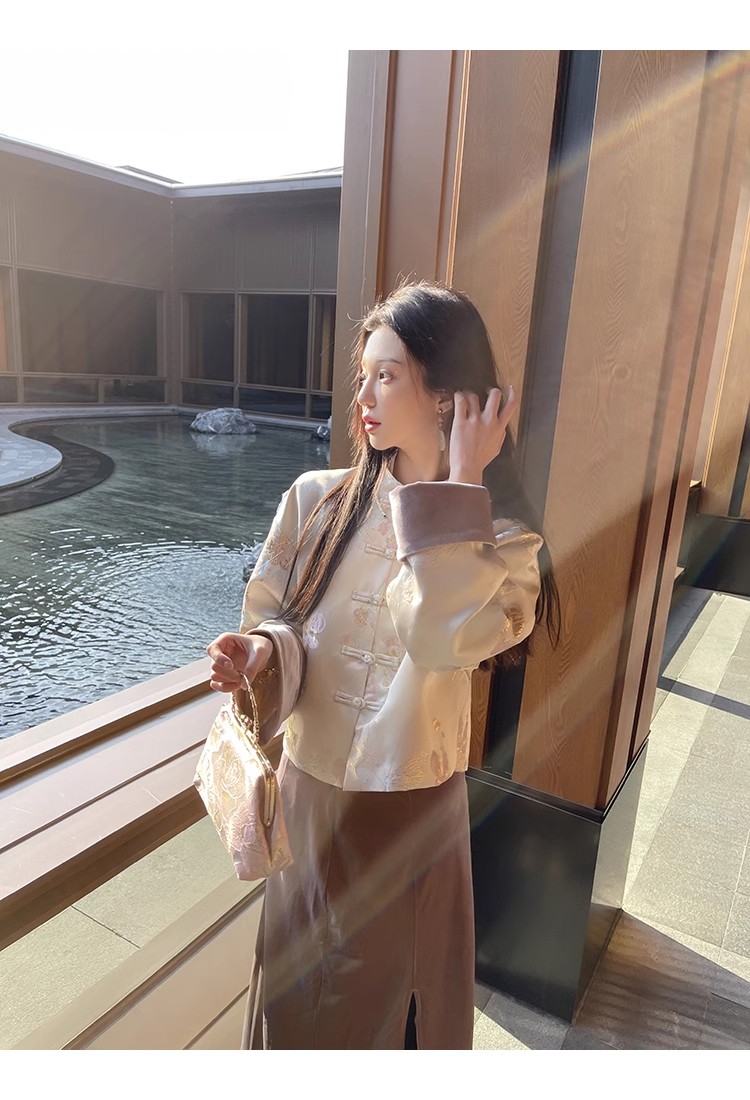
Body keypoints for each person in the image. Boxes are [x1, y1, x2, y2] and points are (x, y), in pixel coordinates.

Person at [205, 280, 560, 1050]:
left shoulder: (506, 546)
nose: (362, 395)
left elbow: (436, 637)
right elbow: (280, 618)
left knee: (387, 1013)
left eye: (387, 375)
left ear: (447, 396)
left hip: (409, 817)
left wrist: (460, 488)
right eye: (363, 374)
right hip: (305, 795)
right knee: (290, 1003)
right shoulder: (316, 500)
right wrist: (259, 650)